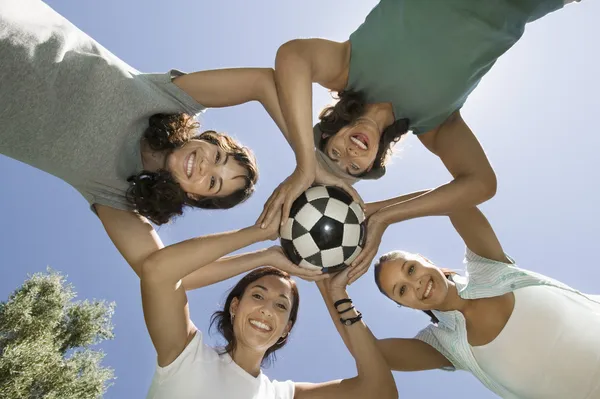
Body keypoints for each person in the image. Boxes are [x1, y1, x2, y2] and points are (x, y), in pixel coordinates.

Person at [258, 0, 582, 280]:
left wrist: (305, 165)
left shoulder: (348, 68)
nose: (348, 155)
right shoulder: (432, 124)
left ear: (331, 130)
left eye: (333, 152)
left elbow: (292, 55)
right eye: (353, 168)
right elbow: (482, 184)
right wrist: (382, 215)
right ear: (372, 163)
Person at [1, 0, 319, 277]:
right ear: (209, 140)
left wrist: (259, 241)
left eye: (213, 183)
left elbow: (163, 272)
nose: (207, 166)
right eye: (219, 157)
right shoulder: (168, 99)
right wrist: (312, 166)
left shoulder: (117, 194)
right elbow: (263, 81)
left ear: (194, 197)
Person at [137, 213, 398, 399]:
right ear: (235, 306)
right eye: (258, 296)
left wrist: (334, 291)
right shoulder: (188, 355)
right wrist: (262, 246)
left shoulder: (279, 395)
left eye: (282, 306)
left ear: (286, 329)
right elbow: (157, 272)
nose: (267, 310)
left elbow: (380, 392)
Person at [365, 206, 600, 398]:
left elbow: (458, 197)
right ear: (405, 305)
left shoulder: (487, 267)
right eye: (402, 290)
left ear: (425, 259)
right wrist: (333, 288)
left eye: (411, 268)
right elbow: (367, 353)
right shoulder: (444, 344)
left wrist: (384, 214)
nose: (415, 283)